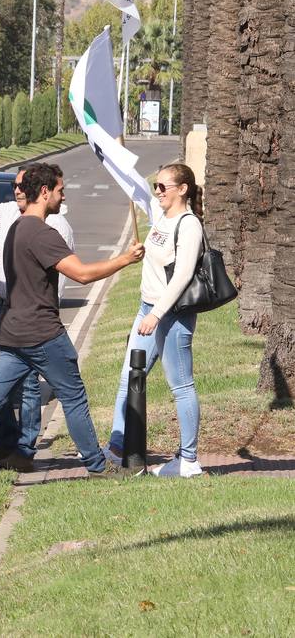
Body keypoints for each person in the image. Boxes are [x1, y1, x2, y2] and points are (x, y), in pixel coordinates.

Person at [0, 163, 143, 489]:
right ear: (44, 192)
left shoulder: (15, 228)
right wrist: (125, 259)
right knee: (74, 397)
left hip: (14, 329)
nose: (63, 197)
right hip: (43, 332)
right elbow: (80, 273)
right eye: (60, 191)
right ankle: (98, 467)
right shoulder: (42, 234)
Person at [0, 168, 74, 472]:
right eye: (15, 185)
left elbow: (63, 277)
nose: (18, 190)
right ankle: (3, 441)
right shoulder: (9, 216)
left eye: (22, 185)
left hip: (34, 318)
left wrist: (48, 315)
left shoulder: (55, 225)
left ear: (37, 189)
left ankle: (23, 450)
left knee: (30, 385)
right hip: (5, 311)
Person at [105, 163, 205, 478]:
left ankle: (189, 460)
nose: (157, 192)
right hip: (145, 308)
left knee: (181, 385)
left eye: (163, 187)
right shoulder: (160, 215)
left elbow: (183, 277)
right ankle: (117, 447)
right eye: (156, 187)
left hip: (171, 314)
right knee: (128, 379)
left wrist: (156, 314)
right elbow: (133, 182)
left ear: (183, 189)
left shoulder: (189, 225)